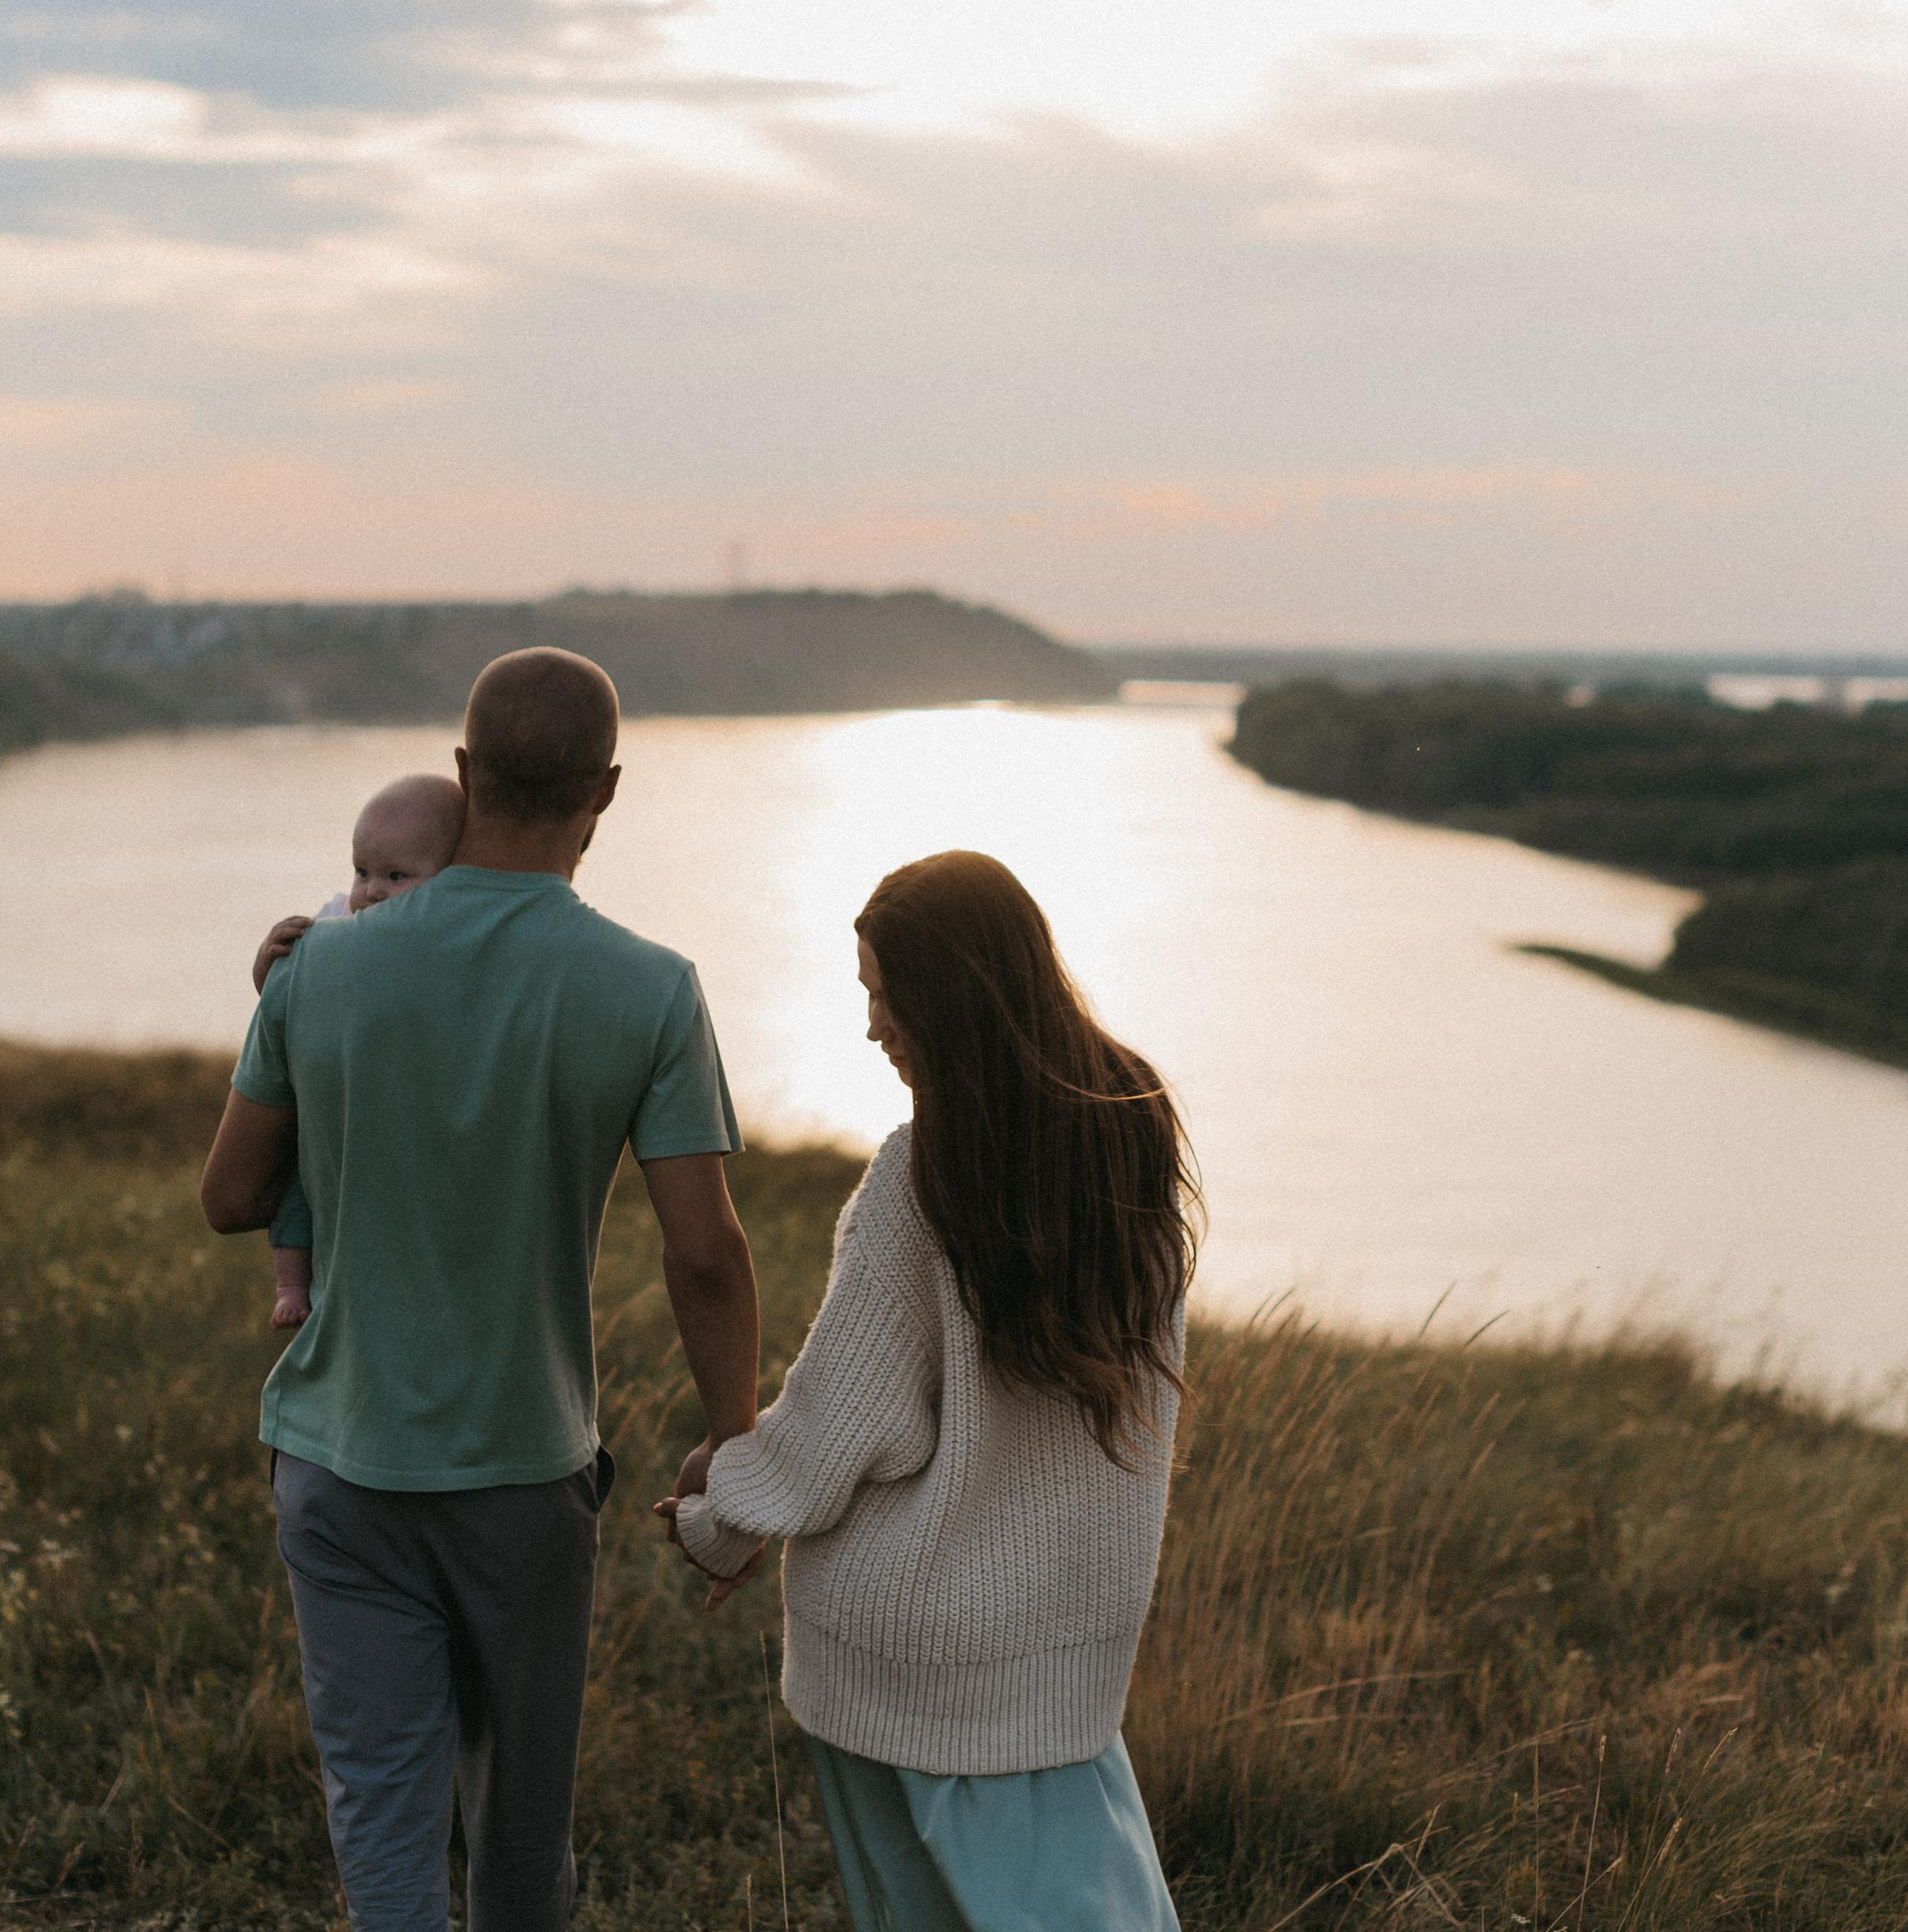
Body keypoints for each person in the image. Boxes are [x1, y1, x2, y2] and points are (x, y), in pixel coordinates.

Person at [200, 647, 760, 1932]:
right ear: (605, 792)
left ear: (465, 773)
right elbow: (706, 1249)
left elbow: (230, 1197)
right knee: (519, 1833)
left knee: (383, 1822)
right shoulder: (651, 987)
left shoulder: (318, 969)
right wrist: (733, 1438)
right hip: (522, 1475)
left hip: (339, 1467)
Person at [658, 848, 1197, 1932]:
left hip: (905, 1662)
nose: (871, 1025)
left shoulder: (922, 1178)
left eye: (881, 994)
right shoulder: (1131, 1128)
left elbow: (834, 1437)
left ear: (946, 998)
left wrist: (720, 1512)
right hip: (1064, 1657)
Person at [252, 772, 467, 1332]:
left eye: (396, 876)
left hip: (395, 1124)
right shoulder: (334, 926)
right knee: (296, 1184)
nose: (370, 890)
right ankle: (291, 1286)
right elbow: (283, 1006)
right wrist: (270, 967)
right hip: (331, 1109)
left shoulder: (446, 949)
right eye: (362, 871)